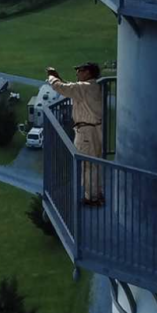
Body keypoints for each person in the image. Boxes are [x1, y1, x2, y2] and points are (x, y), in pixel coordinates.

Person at [46, 62, 104, 206]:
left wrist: (52, 78)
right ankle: (96, 193)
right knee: (93, 164)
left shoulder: (84, 87)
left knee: (87, 165)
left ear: (88, 73)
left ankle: (91, 198)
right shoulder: (91, 86)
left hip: (86, 133)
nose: (77, 72)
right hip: (93, 131)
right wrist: (59, 78)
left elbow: (62, 88)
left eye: (80, 70)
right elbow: (71, 89)